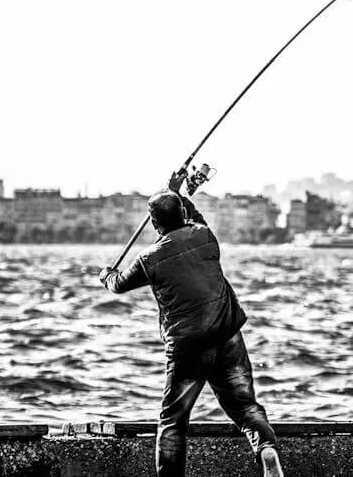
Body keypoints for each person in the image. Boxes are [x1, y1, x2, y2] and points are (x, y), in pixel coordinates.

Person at [99, 191, 282, 477]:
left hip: (189, 347)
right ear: (182, 213)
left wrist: (106, 275)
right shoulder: (204, 236)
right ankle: (266, 449)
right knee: (245, 406)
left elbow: (118, 284)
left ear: (154, 223)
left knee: (173, 421)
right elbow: (193, 216)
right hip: (226, 335)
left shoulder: (148, 259)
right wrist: (179, 193)